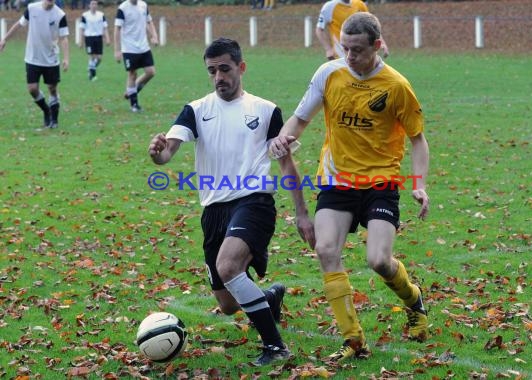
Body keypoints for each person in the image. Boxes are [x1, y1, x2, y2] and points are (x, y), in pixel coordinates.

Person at [270, 12, 429, 362]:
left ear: (376, 45)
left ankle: (413, 300)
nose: (349, 56)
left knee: (378, 261)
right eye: (344, 48)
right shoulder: (329, 73)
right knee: (326, 250)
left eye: (357, 50)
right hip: (336, 179)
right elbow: (300, 119)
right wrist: (284, 139)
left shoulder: (397, 86)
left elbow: (418, 140)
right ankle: (353, 339)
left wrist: (418, 184)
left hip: (380, 182)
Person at [147, 38, 315, 366]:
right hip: (213, 210)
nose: (218, 76)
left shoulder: (266, 111)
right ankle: (268, 299)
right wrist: (157, 154)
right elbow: (168, 152)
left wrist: (302, 213)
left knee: (228, 267)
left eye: (224, 69)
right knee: (226, 303)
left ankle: (275, 347)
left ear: (241, 67)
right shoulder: (196, 110)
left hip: (254, 202)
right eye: (212, 71)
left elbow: (286, 164)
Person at [0, 0, 69, 129]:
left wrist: (66, 58)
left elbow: (64, 38)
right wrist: (5, 39)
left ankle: (54, 120)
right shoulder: (32, 8)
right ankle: (46, 110)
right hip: (32, 57)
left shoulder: (60, 14)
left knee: (52, 89)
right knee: (32, 89)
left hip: (51, 58)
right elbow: (19, 24)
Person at [114, 0, 158, 113]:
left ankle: (132, 91)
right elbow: (117, 29)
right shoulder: (123, 8)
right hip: (129, 48)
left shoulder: (143, 5)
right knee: (132, 74)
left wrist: (154, 35)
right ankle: (134, 104)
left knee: (151, 72)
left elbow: (149, 22)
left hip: (144, 46)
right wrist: (117, 50)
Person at [316, 0, 389, 61]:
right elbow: (319, 29)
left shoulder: (360, 4)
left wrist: (382, 43)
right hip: (340, 56)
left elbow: (372, 26)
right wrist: (328, 49)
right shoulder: (329, 7)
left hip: (361, 54)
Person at [79, 0, 111, 81]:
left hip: (98, 37)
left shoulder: (101, 15)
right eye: (92, 4)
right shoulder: (85, 15)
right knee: (92, 56)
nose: (94, 5)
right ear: (89, 5)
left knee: (99, 58)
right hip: (89, 38)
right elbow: (81, 28)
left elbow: (105, 27)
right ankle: (92, 76)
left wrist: (107, 38)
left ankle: (90, 68)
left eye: (95, 4)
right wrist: (80, 41)